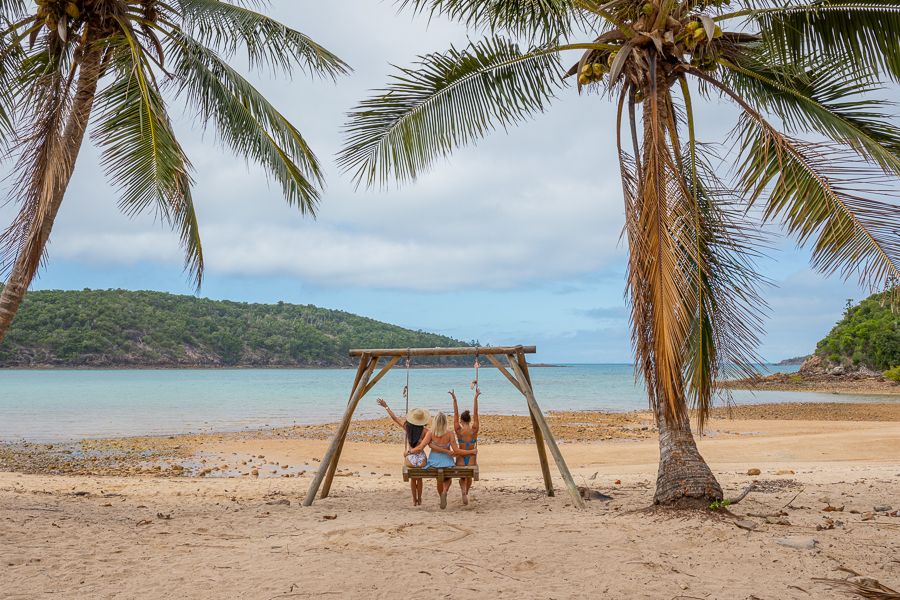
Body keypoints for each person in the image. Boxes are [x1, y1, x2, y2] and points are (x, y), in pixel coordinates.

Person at [376, 398, 431, 506]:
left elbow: (395, 418)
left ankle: (414, 500)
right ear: (423, 420)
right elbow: (420, 448)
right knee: (419, 478)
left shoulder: (407, 428)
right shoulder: (426, 432)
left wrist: (386, 406)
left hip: (410, 459)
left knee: (413, 479)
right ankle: (420, 498)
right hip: (421, 461)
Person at [424, 411, 474, 509]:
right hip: (447, 462)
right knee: (448, 478)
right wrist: (471, 451)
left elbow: (423, 446)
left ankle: (442, 495)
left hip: (434, 462)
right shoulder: (449, 433)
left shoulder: (430, 433)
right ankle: (445, 490)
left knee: (439, 479)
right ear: (445, 422)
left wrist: (410, 452)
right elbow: (456, 450)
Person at [451, 388, 479, 505]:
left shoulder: (458, 430)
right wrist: (475, 398)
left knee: (462, 477)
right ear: (470, 419)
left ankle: (463, 491)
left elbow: (455, 414)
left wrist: (455, 400)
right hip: (471, 456)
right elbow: (476, 412)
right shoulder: (474, 429)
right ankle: (466, 492)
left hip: (461, 456)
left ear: (461, 420)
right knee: (469, 476)